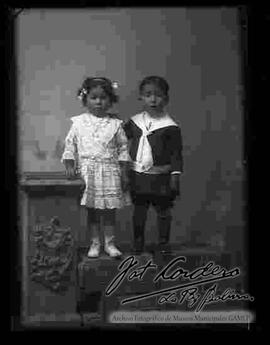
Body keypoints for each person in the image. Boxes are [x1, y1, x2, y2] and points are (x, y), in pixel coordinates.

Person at [61, 77, 131, 258]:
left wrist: (124, 172)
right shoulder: (78, 123)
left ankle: (110, 243)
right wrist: (70, 163)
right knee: (92, 210)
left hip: (109, 170)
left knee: (109, 211)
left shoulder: (115, 124)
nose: (99, 102)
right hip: (88, 171)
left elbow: (123, 148)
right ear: (85, 99)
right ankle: (95, 243)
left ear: (110, 100)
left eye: (103, 97)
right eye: (94, 97)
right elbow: (70, 145)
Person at [123, 76, 183, 253]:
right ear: (141, 97)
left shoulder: (170, 126)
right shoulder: (135, 122)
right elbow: (119, 140)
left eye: (158, 95)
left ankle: (163, 243)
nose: (153, 99)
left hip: (161, 177)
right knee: (139, 211)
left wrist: (175, 176)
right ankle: (138, 243)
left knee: (163, 211)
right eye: (148, 95)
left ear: (166, 99)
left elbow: (176, 154)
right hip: (138, 176)